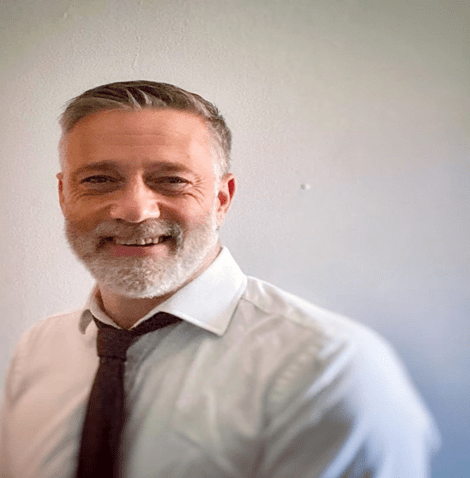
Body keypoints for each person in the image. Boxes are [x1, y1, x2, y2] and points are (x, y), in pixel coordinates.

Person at [0, 81, 440, 478]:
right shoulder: (38, 350)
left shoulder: (328, 371)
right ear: (64, 195)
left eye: (171, 180)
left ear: (222, 198)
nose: (135, 210)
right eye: (98, 179)